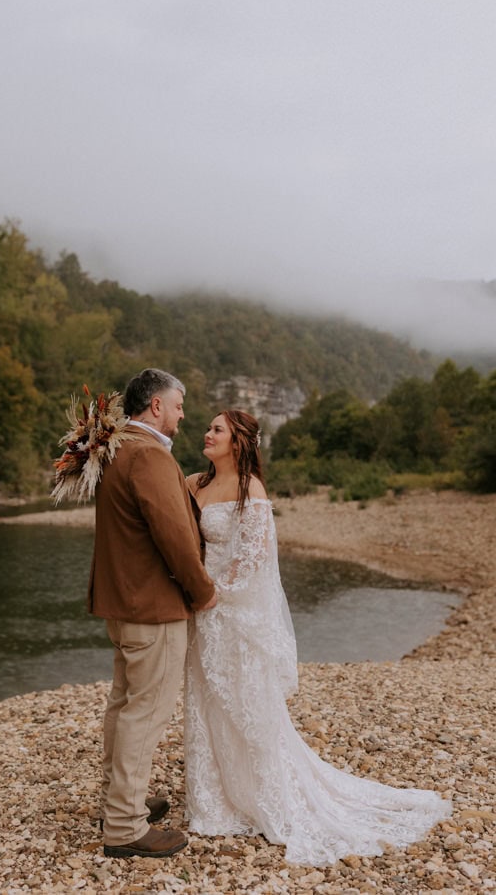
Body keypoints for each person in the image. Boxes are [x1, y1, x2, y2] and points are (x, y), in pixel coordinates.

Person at [184, 409, 452, 867]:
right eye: (207, 427)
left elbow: (253, 561)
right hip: (200, 613)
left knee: (248, 704)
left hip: (229, 611)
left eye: (217, 430)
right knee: (207, 700)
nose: (206, 434)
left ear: (240, 441)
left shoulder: (253, 492)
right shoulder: (194, 484)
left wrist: (211, 594)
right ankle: (214, 803)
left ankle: (263, 799)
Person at [87, 369, 216, 859]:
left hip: (121, 605)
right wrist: (202, 591)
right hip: (153, 609)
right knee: (144, 712)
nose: (184, 415)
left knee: (123, 706)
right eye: (179, 405)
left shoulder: (114, 451)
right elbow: (175, 538)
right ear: (156, 406)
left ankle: (117, 800)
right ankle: (124, 826)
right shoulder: (149, 456)